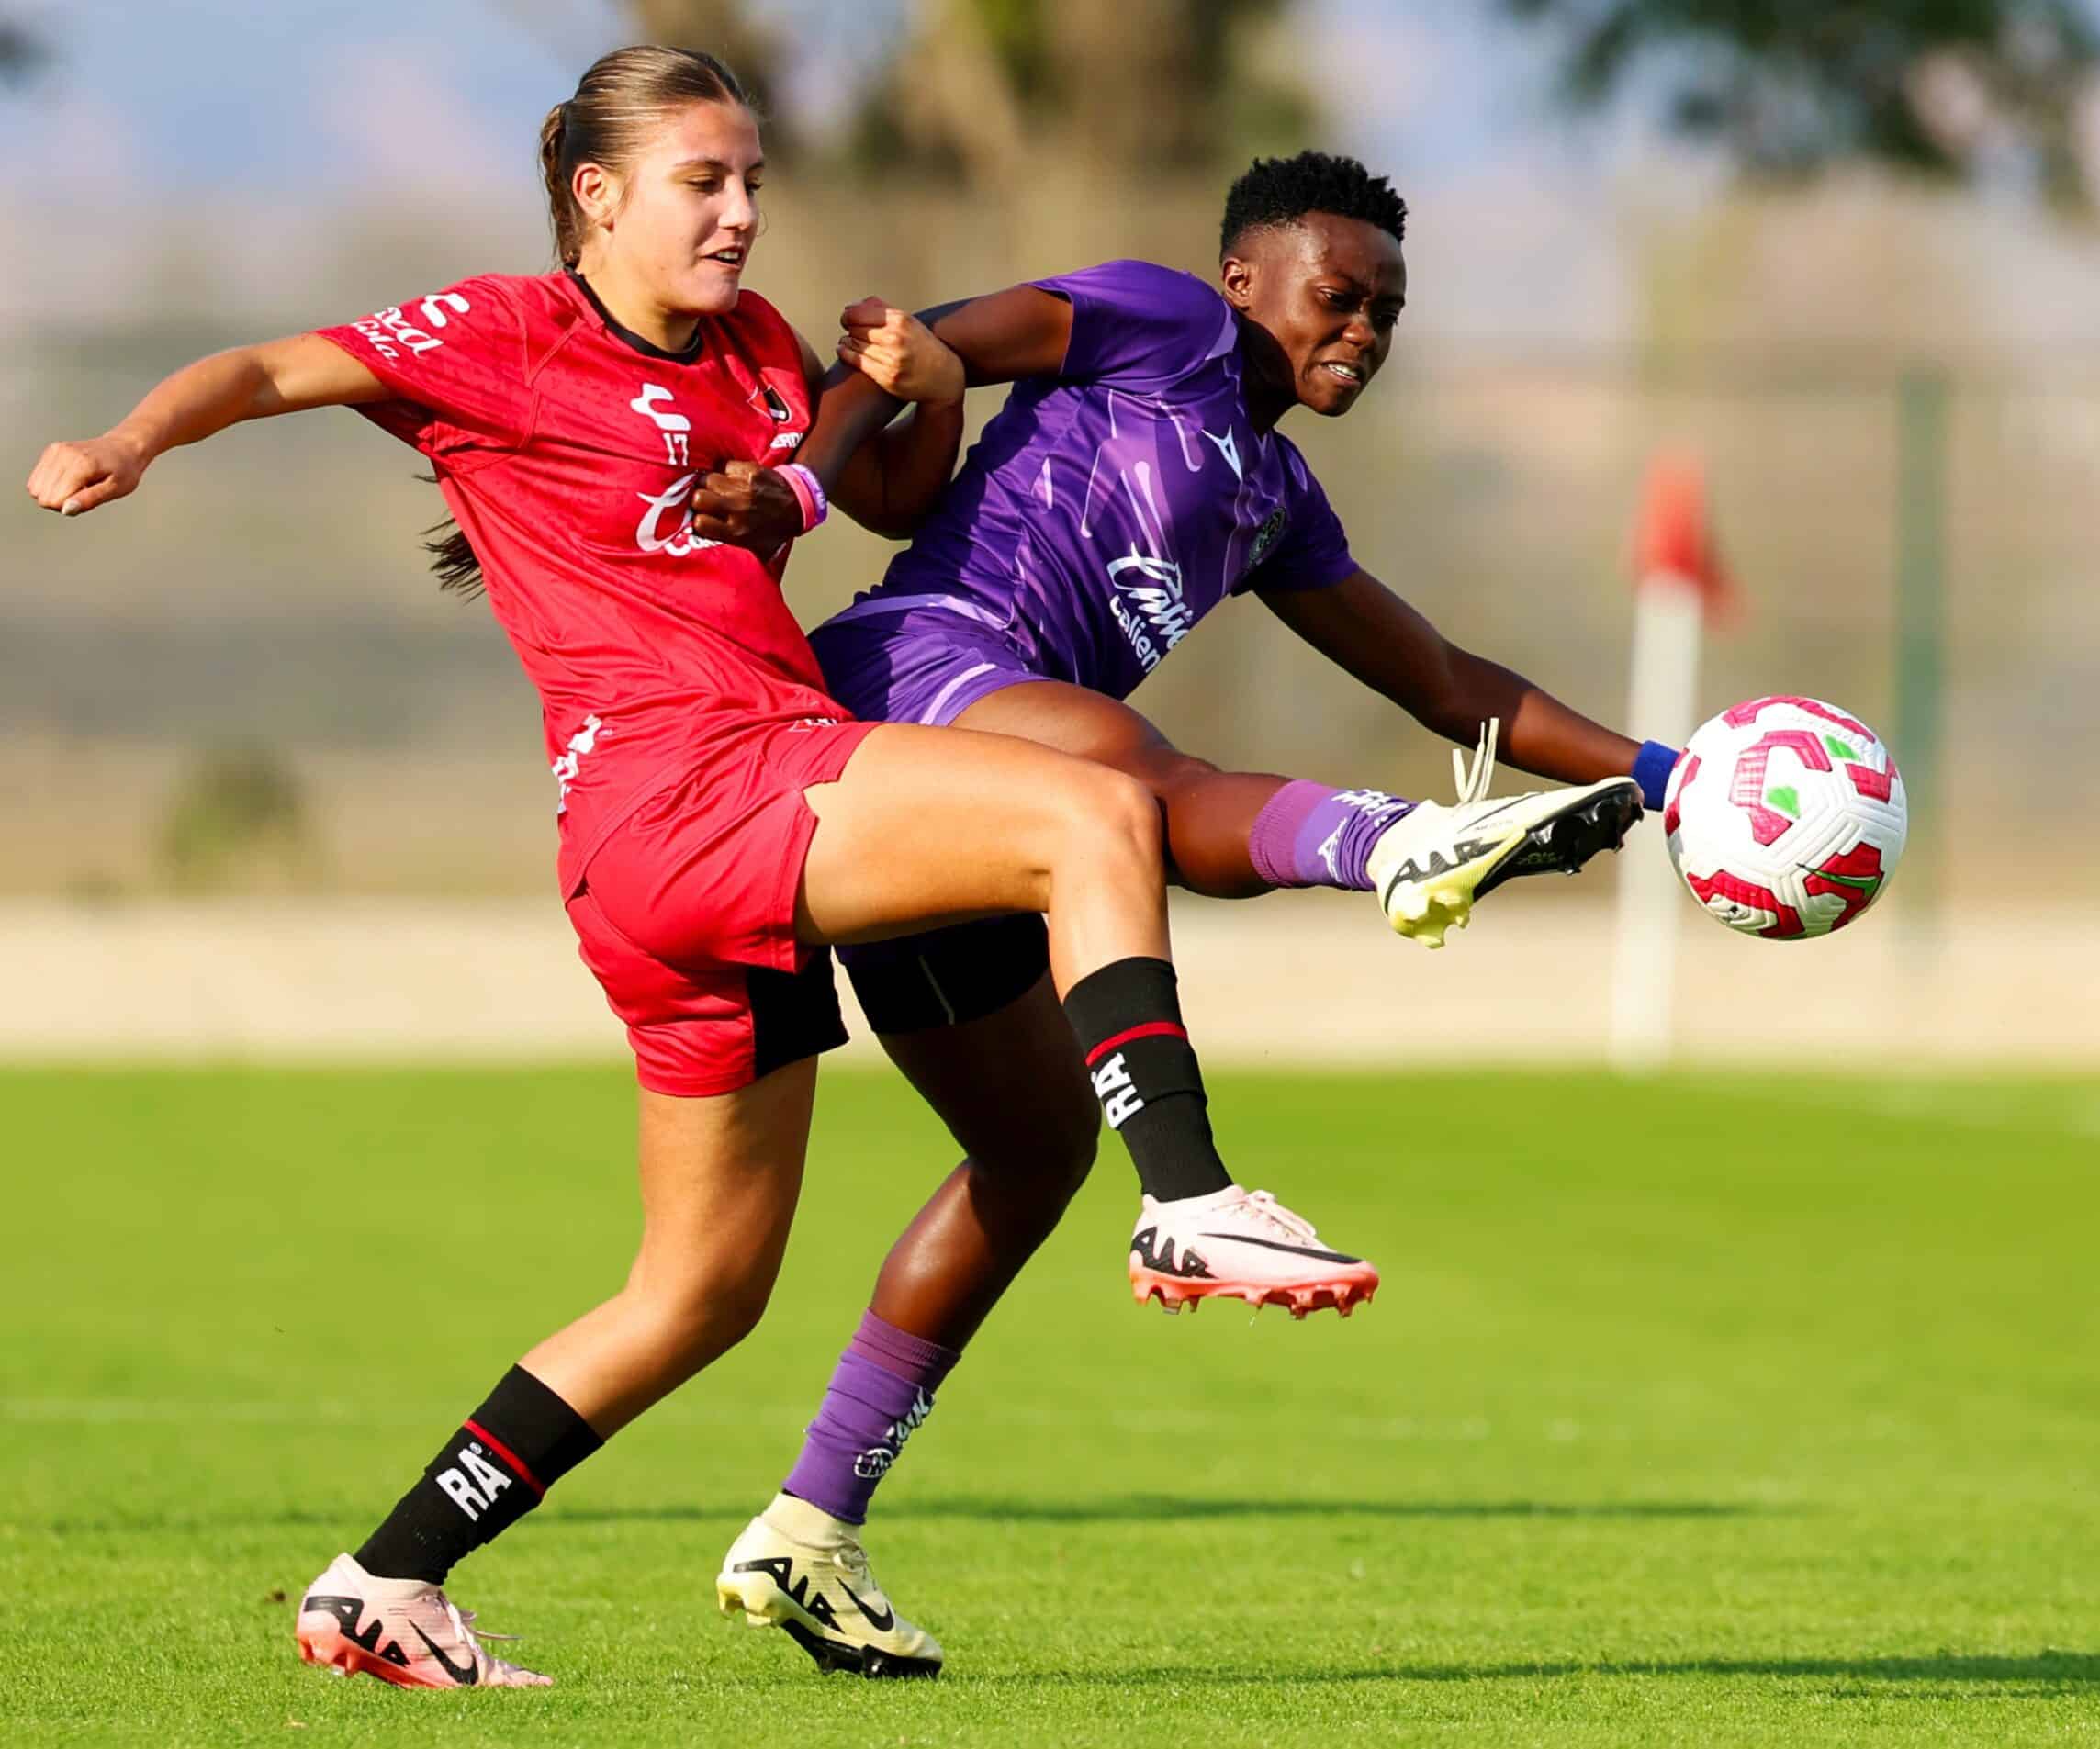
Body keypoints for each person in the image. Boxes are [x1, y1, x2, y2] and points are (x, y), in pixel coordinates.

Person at [21, 46, 1338, 1689]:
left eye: (754, 183)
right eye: (705, 182)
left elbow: (892, 495)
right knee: (1090, 815)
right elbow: (275, 367)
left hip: (692, 851)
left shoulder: (763, 354)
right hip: (689, 785)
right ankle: (1189, 1200)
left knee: (699, 1292)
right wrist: (133, 439)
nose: (740, 212)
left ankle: (387, 1579)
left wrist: (917, 380)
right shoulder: (505, 331)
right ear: (599, 194)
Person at [697, 150, 1686, 1678]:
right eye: (1337, 296)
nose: (1360, 328)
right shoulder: (1157, 323)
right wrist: (814, 480)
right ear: (1245, 280)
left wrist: (1663, 771)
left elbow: (1448, 683)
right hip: (910, 671)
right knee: (1130, 780)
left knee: (1034, 1152)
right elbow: (910, 346)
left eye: (1387, 313)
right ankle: (1373, 885)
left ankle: (811, 1524)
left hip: (992, 810)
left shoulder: (1279, 499)